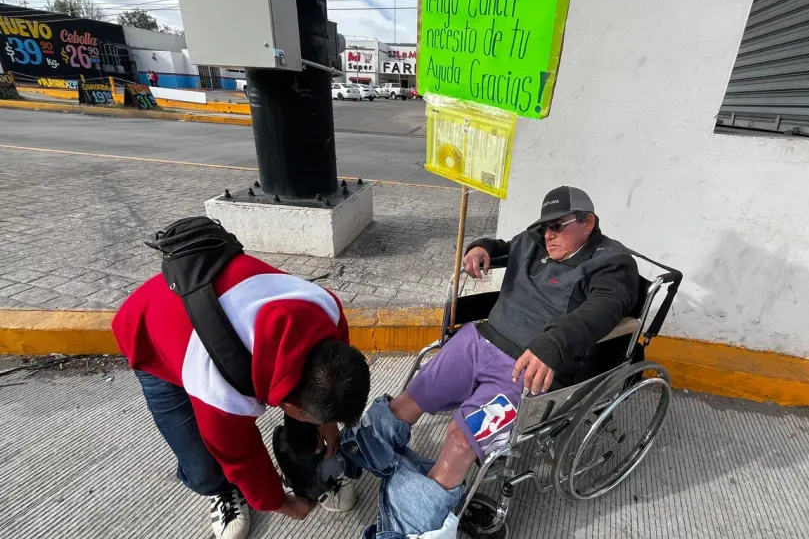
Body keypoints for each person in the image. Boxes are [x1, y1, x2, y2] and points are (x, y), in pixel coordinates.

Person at [348, 185, 641, 536]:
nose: (548, 234)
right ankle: (358, 456)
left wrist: (555, 342)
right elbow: (505, 247)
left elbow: (604, 309)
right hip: (479, 341)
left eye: (558, 226)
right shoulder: (535, 239)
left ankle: (410, 526)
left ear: (588, 222)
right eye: (545, 226)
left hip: (528, 370)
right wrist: (481, 248)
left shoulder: (612, 262)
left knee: (460, 441)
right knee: (412, 398)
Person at [112, 249, 370, 539]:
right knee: (202, 462)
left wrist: (328, 420)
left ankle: (308, 466)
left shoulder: (327, 310)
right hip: (151, 333)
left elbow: (331, 377)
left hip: (214, 302)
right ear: (287, 404)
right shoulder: (218, 386)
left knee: (317, 396)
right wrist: (279, 502)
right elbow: (241, 456)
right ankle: (223, 490)